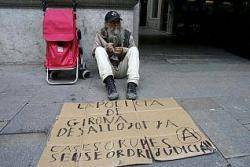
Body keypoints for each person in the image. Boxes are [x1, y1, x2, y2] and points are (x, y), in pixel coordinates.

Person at [92, 11, 140, 100]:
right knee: (98, 50)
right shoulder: (100, 34)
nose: (116, 25)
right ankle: (110, 85)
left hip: (123, 68)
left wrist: (123, 50)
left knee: (134, 50)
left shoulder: (127, 34)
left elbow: (133, 49)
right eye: (112, 22)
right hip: (109, 69)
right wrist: (106, 49)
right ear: (106, 24)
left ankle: (132, 85)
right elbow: (94, 52)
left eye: (117, 22)